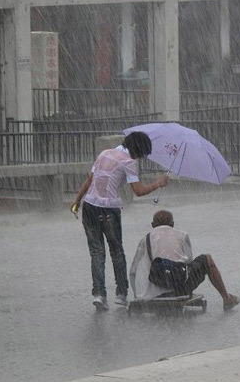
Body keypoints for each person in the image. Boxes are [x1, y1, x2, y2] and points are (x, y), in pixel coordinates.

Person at [72, 132, 169, 310]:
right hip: (109, 210)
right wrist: (158, 183)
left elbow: (90, 180)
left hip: (90, 207)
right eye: (141, 153)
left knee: (97, 253)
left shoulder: (104, 154)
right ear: (137, 150)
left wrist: (77, 201)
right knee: (117, 252)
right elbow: (138, 191)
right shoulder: (128, 162)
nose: (140, 157)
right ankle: (121, 294)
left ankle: (99, 295)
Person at [129, 210, 240, 311]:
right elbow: (188, 261)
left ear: (152, 225)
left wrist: (139, 294)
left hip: (152, 291)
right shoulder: (182, 235)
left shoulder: (145, 239)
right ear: (172, 224)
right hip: (179, 288)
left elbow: (133, 271)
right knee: (207, 259)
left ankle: (157, 291)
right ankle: (227, 298)